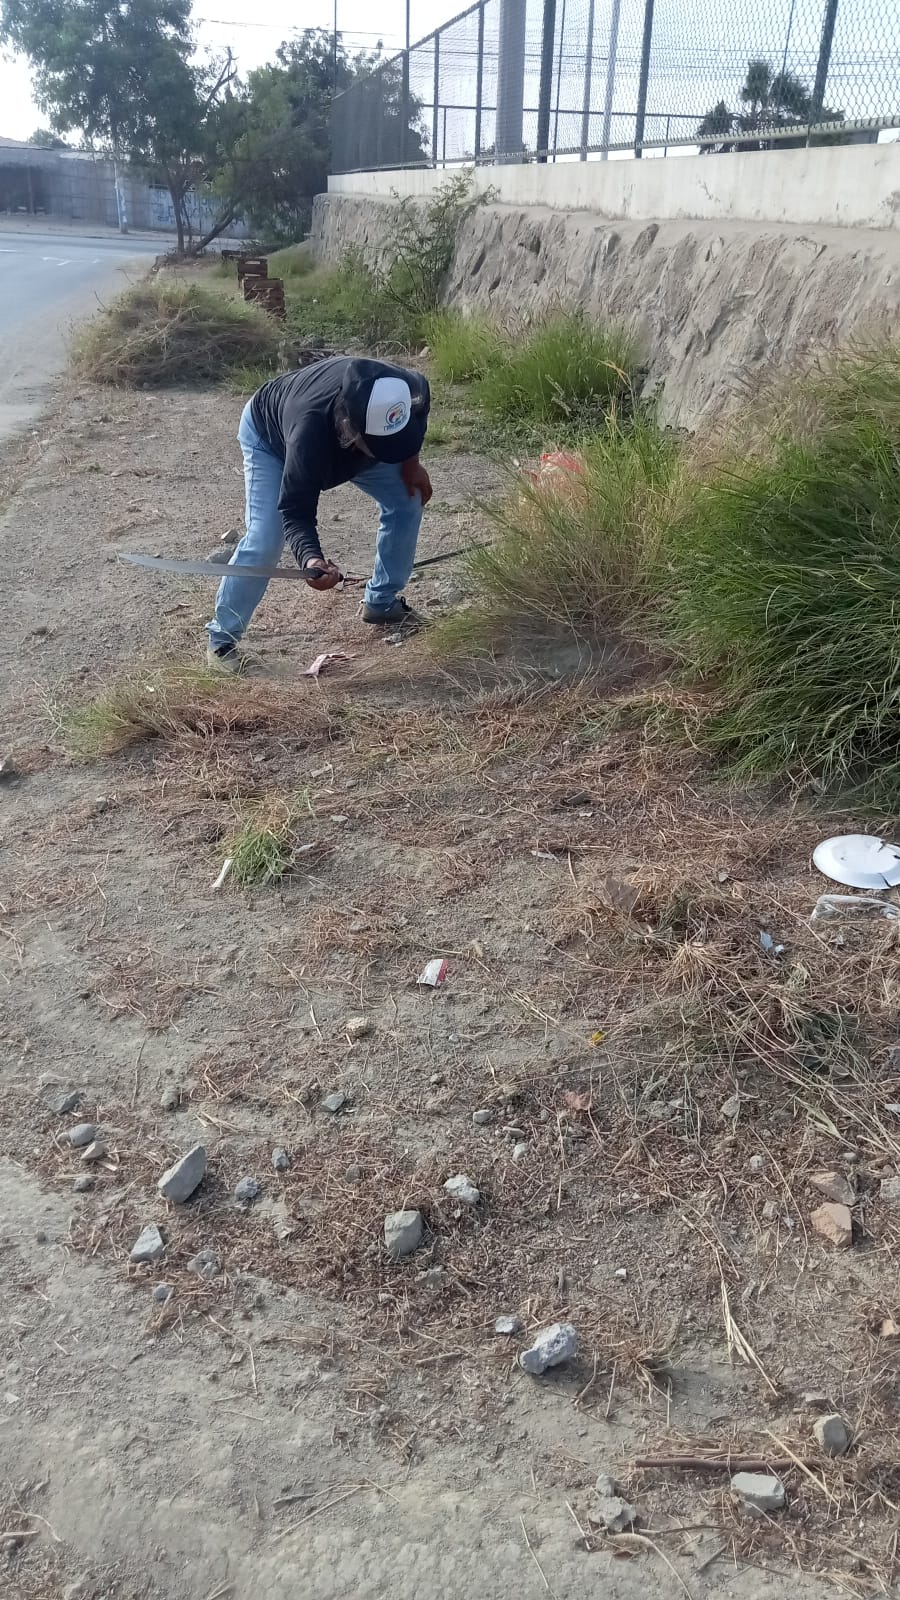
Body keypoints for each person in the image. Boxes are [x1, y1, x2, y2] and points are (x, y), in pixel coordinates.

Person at [206, 355, 433, 671]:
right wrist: (311, 561)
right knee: (266, 539)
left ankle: (381, 603)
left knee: (407, 500)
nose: (387, 456)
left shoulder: (408, 389)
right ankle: (221, 641)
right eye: (383, 450)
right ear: (350, 431)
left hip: (353, 437)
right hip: (270, 438)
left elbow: (418, 417)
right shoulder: (309, 435)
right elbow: (295, 510)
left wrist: (410, 464)